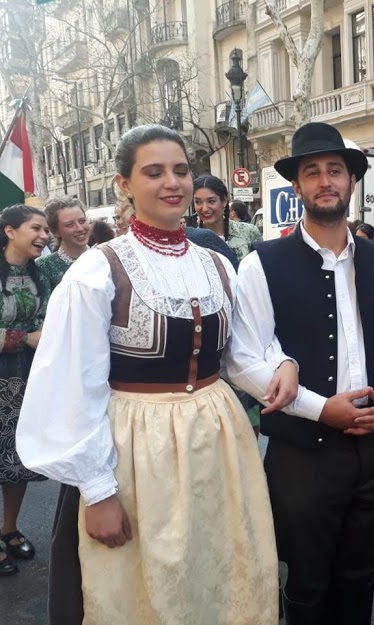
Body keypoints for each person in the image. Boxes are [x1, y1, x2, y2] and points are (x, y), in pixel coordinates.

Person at [16, 125, 279, 624]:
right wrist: (97, 492)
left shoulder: (217, 265)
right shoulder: (96, 272)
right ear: (124, 184)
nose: (172, 183)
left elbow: (243, 355)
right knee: (144, 585)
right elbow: (72, 387)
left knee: (220, 571)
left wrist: (284, 371)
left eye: (180, 170)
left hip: (218, 442)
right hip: (136, 449)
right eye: (153, 172)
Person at [226, 122, 374, 625]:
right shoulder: (262, 263)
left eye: (335, 170)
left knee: (359, 573)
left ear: (352, 181)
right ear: (297, 186)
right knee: (307, 581)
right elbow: (243, 358)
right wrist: (320, 410)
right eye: (312, 172)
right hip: (303, 454)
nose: (325, 181)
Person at [0, 205, 49, 578]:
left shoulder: (40, 273)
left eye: (46, 230)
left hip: (28, 380)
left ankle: (9, 528)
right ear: (9, 231)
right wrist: (24, 338)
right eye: (36, 228)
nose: (44, 236)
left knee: (17, 461)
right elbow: (32, 333)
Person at [193, 174, 262, 262]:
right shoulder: (190, 241)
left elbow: (262, 266)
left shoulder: (248, 232)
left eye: (211, 201)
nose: (205, 208)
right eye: (198, 202)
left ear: (224, 201)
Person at [37, 197, 91, 296]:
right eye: (70, 225)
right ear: (55, 231)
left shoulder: (105, 257)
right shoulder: (44, 266)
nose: (80, 228)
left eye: (82, 221)